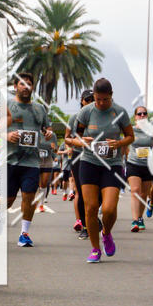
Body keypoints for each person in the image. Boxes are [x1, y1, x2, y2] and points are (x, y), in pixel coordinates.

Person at [73, 78, 133, 263]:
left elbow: (130, 136)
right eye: (97, 99)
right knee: (90, 208)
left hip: (112, 164)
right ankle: (95, 248)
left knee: (108, 208)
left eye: (104, 100)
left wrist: (119, 143)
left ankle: (106, 232)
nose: (100, 103)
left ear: (111, 96)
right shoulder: (86, 112)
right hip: (89, 162)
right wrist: (82, 141)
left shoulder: (120, 112)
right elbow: (75, 135)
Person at [6, 72, 53, 247]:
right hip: (10, 160)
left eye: (29, 84)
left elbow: (46, 128)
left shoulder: (39, 109)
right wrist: (6, 135)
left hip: (31, 162)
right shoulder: (7, 106)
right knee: (8, 200)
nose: (26, 87)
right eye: (22, 84)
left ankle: (24, 233)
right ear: (15, 87)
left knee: (29, 196)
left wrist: (48, 133)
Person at [65, 89, 93, 239]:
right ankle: (85, 225)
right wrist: (78, 143)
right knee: (81, 192)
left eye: (92, 100)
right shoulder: (74, 118)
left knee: (98, 192)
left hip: (96, 157)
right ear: (82, 101)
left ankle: (92, 216)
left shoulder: (101, 116)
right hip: (78, 156)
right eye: (87, 100)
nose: (90, 103)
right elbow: (67, 138)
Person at [126, 104, 153, 232]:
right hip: (133, 163)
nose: (142, 115)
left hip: (148, 165)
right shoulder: (131, 130)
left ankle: (140, 217)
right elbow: (124, 145)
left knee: (144, 194)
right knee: (135, 190)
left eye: (144, 113)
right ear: (135, 117)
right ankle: (134, 220)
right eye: (139, 114)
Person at [37, 131, 58, 212]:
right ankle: (36, 201)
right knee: (35, 183)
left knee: (44, 183)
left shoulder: (52, 135)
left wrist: (54, 148)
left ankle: (41, 204)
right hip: (35, 160)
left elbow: (56, 150)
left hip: (47, 161)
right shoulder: (35, 130)